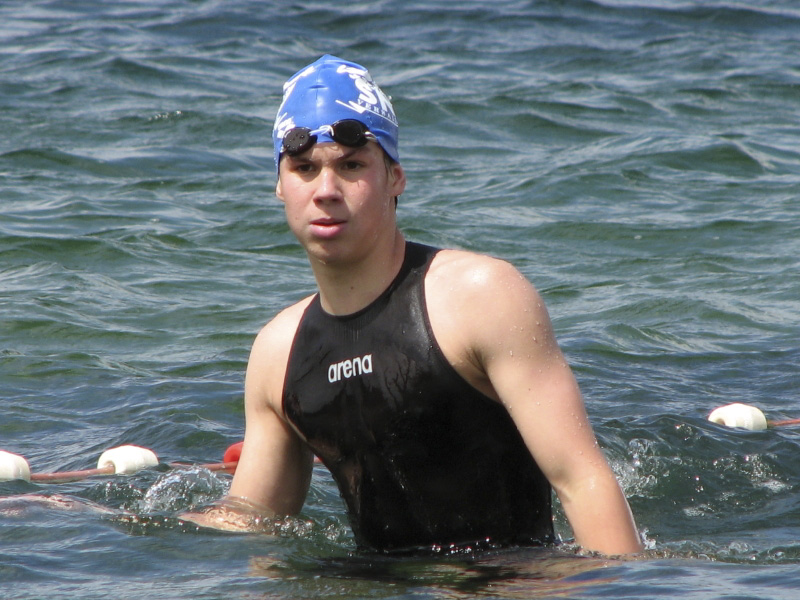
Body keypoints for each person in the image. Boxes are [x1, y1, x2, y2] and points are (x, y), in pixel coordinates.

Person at [183, 54, 643, 556]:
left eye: (351, 166)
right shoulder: (277, 352)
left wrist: (625, 584)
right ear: (279, 185)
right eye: (304, 169)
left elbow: (582, 479)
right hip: (365, 585)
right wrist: (127, 524)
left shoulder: (479, 296)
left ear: (395, 177)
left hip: (508, 579)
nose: (326, 191)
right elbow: (253, 517)